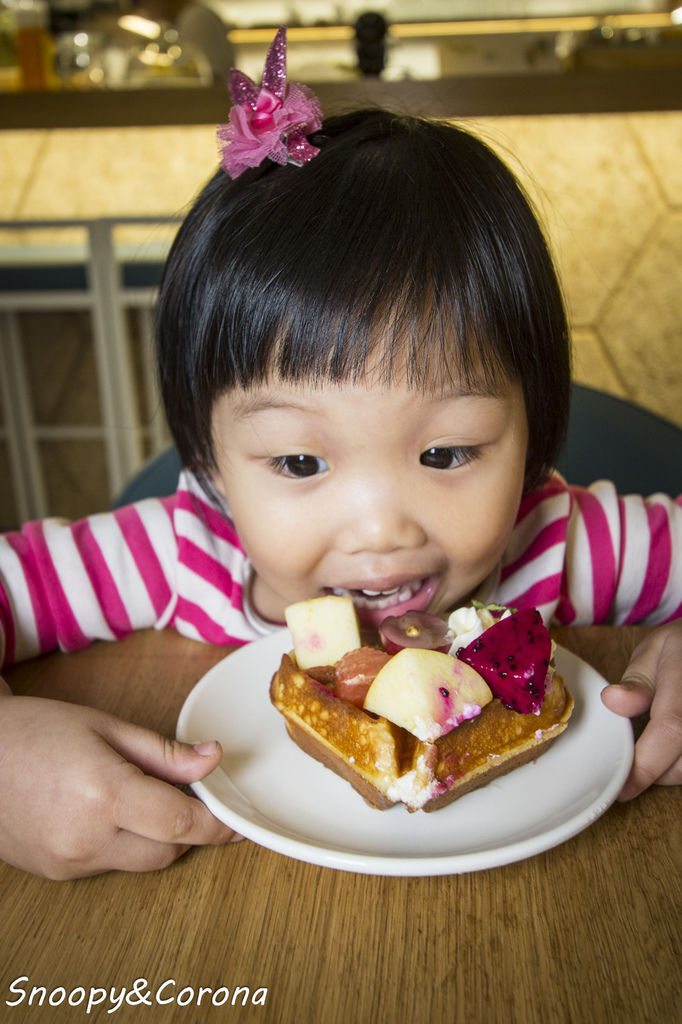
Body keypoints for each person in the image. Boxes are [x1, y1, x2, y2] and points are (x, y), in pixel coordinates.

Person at [0, 29, 680, 879]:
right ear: (210, 459)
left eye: (447, 452)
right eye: (299, 463)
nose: (380, 529)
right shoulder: (178, 557)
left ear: (535, 436)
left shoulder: (559, 543)